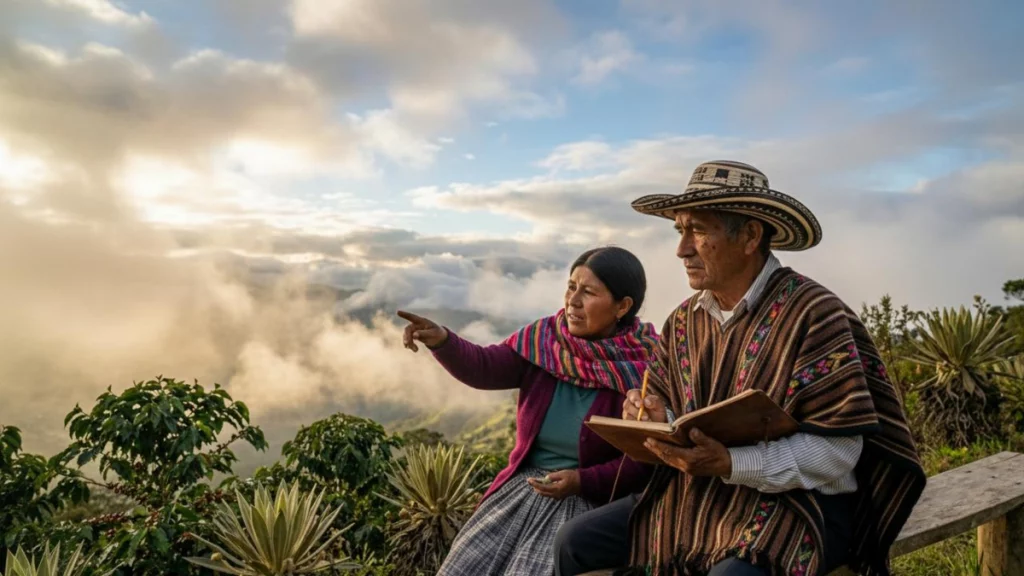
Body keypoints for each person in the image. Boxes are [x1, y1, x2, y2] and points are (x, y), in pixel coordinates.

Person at [555, 161, 926, 576]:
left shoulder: (814, 315)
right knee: (574, 542)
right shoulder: (684, 322)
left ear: (750, 236)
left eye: (698, 230)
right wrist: (659, 419)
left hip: (798, 504)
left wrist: (731, 463)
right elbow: (678, 418)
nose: (682, 249)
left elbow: (839, 451)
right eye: (680, 231)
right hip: (697, 496)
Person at [398, 246, 658, 576]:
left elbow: (643, 459)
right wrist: (442, 340)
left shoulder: (646, 369)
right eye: (571, 287)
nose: (573, 301)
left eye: (589, 292)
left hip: (584, 508)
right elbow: (485, 367)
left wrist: (581, 481)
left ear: (622, 306)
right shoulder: (544, 341)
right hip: (522, 490)